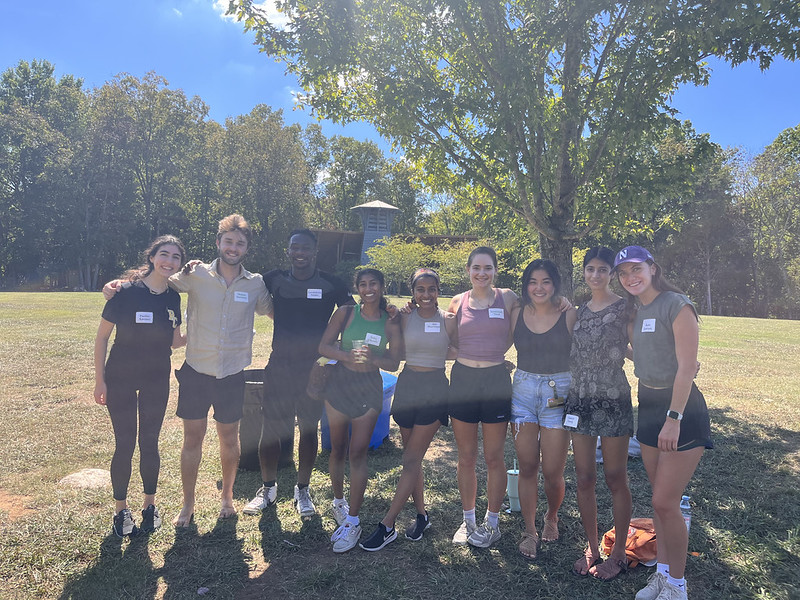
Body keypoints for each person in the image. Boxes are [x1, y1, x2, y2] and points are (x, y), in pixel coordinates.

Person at [103, 214, 273, 526]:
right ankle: (188, 504)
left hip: (233, 373)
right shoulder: (195, 274)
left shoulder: (256, 284)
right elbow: (158, 278)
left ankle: (227, 499)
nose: (233, 247)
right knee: (192, 439)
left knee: (229, 439)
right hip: (196, 372)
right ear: (218, 242)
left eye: (240, 243)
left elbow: (274, 312)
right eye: (228, 241)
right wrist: (118, 284)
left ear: (247, 248)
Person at [614, 246, 713, 600]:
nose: (630, 277)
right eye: (623, 273)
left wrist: (674, 418)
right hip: (648, 405)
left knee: (666, 502)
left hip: (680, 409)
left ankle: (678, 586)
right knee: (659, 503)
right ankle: (662, 575)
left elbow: (687, 367)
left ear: (652, 269)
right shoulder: (634, 311)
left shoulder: (677, 304)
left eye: (636, 269)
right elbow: (643, 353)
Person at [243, 229, 353, 519]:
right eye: (295, 247)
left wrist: (337, 348)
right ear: (288, 251)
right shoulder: (274, 279)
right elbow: (240, 280)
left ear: (315, 252)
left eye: (305, 248)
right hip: (279, 366)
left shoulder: (331, 283)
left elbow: (355, 313)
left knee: (308, 428)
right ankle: (268, 489)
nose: (300, 252)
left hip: (314, 369)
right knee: (271, 428)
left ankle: (302, 490)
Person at [94, 235, 186, 537]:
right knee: (124, 443)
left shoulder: (173, 298)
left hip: (156, 377)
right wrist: (99, 380)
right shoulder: (124, 291)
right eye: (164, 254)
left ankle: (149, 505)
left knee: (150, 442)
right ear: (152, 257)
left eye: (175, 257)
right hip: (120, 375)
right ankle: (121, 510)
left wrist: (206, 332)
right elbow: (102, 338)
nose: (169, 261)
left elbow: (175, 341)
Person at [359, 268, 457, 551]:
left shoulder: (449, 320)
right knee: (411, 459)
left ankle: (387, 525)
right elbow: (396, 350)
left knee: (411, 459)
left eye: (431, 289)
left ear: (438, 291)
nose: (426, 294)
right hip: (407, 385)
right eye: (420, 289)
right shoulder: (403, 317)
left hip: (435, 388)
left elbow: (460, 350)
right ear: (412, 292)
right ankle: (422, 515)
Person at [318, 268, 401, 552]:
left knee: (357, 453)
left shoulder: (390, 321)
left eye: (373, 284)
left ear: (381, 286)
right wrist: (346, 355)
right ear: (357, 288)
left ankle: (353, 522)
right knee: (337, 449)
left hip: (368, 387)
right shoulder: (345, 313)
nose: (368, 289)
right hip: (339, 384)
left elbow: (394, 363)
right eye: (363, 284)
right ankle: (338, 502)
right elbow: (324, 346)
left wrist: (373, 358)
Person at [563, 247, 633, 579]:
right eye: (590, 269)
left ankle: (618, 554)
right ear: (584, 272)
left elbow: (637, 348)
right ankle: (592, 546)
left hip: (614, 398)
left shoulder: (625, 308)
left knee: (616, 477)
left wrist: (678, 365)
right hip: (580, 400)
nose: (595, 275)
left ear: (612, 273)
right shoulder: (577, 311)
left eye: (602, 269)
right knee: (584, 478)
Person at [447, 247, 517, 548]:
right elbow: (450, 341)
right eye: (476, 267)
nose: (482, 273)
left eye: (488, 267)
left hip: (495, 381)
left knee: (493, 457)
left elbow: (527, 320)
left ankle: (492, 523)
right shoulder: (457, 301)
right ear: (468, 270)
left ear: (495, 270)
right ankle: (468, 521)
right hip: (463, 380)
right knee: (466, 456)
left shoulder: (508, 298)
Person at [510, 259, 577, 559]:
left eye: (546, 281)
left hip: (558, 391)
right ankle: (529, 530)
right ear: (526, 285)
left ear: (555, 285)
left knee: (552, 470)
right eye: (533, 282)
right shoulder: (516, 312)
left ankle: (551, 515)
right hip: (522, 391)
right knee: (527, 466)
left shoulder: (569, 313)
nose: (539, 288)